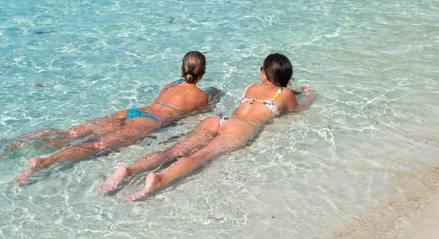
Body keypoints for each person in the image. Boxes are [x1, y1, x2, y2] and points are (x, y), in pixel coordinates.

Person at [100, 53, 315, 200]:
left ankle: (128, 170)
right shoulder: (284, 94)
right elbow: (298, 110)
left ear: (263, 73)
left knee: (173, 150)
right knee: (199, 157)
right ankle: (159, 180)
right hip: (240, 128)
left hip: (218, 121)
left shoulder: (251, 87)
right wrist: (310, 96)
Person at [0, 51, 213, 184]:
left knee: (71, 133)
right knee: (96, 145)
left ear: (181, 69)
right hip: (150, 122)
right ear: (202, 73)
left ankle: (14, 141)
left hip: (133, 111)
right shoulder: (201, 96)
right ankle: (43, 163)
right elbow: (193, 120)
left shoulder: (170, 83)